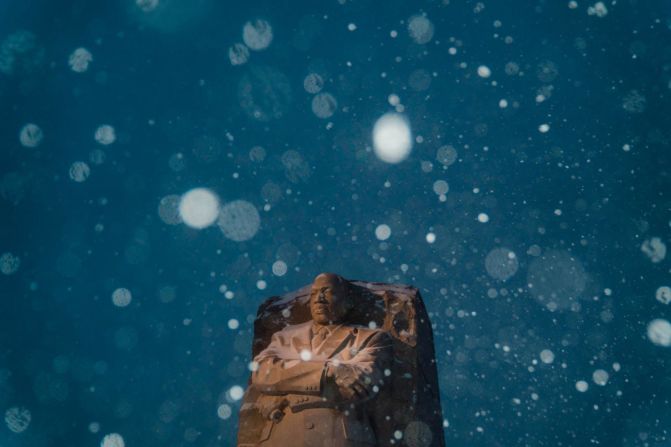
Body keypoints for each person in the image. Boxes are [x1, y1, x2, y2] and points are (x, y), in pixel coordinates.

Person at [244, 272, 393, 446]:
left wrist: (283, 389)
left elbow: (361, 383)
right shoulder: (286, 336)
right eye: (314, 294)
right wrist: (331, 370)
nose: (318, 299)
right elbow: (262, 372)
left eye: (327, 291)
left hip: (339, 435)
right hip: (284, 434)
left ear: (348, 302)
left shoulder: (371, 338)